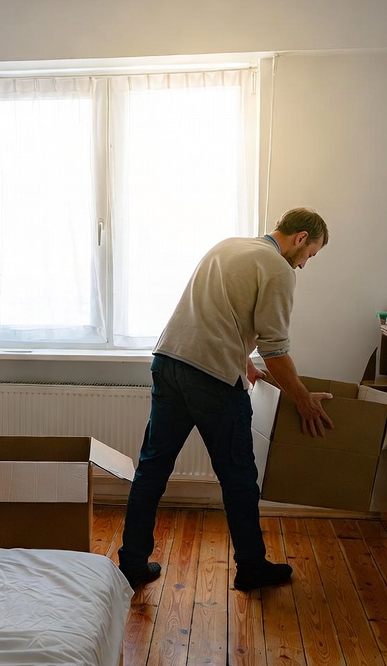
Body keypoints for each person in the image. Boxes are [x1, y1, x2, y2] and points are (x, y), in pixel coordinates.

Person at [117, 207, 335, 593]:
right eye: (310, 255)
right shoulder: (278, 268)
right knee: (238, 479)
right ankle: (251, 567)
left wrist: (243, 361)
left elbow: (217, 316)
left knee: (151, 469)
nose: (303, 264)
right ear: (301, 238)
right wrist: (302, 398)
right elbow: (275, 349)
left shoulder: (228, 246)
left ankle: (132, 564)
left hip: (169, 362)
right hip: (212, 380)